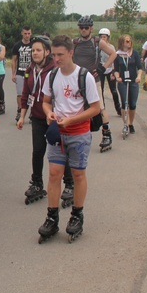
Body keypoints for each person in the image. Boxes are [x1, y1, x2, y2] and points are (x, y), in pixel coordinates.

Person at [39, 35, 101, 242]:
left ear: (71, 53)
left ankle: (77, 215)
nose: (56, 59)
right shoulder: (52, 75)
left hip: (79, 133)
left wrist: (72, 119)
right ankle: (52, 216)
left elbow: (95, 109)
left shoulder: (85, 77)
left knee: (78, 175)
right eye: (54, 55)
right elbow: (46, 101)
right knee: (54, 174)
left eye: (60, 55)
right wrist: (49, 113)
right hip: (58, 132)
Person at [17, 36, 73, 205]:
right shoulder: (29, 69)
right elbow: (26, 94)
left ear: (47, 52)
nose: (35, 53)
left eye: (38, 50)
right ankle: (36, 183)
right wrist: (22, 116)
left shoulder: (54, 69)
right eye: (33, 50)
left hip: (55, 118)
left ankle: (70, 184)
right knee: (38, 151)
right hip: (37, 117)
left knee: (61, 152)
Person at [72, 16, 116, 152]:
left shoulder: (97, 42)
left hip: (93, 80)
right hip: (77, 80)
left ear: (91, 28)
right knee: (77, 108)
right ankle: (77, 133)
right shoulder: (75, 42)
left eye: (86, 28)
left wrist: (103, 68)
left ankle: (106, 134)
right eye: (81, 28)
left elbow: (113, 54)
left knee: (100, 107)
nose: (84, 30)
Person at [113, 35, 144, 134]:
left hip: (133, 81)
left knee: (132, 104)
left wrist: (139, 77)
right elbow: (116, 69)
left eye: (130, 41)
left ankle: (131, 123)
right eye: (127, 41)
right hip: (123, 81)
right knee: (124, 103)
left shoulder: (134, 54)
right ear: (122, 42)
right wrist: (117, 77)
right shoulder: (117, 55)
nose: (129, 43)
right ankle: (125, 123)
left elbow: (139, 67)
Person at [11, 25, 34, 123]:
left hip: (31, 72)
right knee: (20, 93)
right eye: (25, 33)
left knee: (32, 94)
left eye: (29, 33)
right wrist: (13, 74)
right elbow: (14, 60)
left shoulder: (33, 45)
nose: (27, 35)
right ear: (22, 33)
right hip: (20, 72)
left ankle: (32, 112)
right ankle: (20, 110)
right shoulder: (17, 45)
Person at [98, 28, 122, 116]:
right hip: (101, 69)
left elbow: (113, 59)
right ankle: (102, 110)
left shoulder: (111, 47)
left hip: (109, 69)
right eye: (101, 37)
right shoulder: (98, 47)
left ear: (108, 38)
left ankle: (118, 108)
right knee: (101, 91)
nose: (102, 39)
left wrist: (113, 71)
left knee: (114, 90)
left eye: (104, 37)